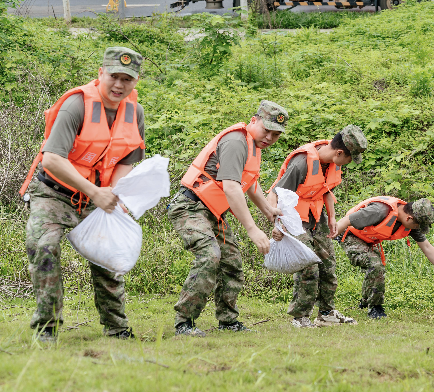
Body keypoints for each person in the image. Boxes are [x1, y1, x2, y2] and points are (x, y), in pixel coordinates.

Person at [19, 47, 147, 342]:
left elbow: (128, 159)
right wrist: (95, 192)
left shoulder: (134, 112)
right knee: (44, 248)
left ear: (135, 81)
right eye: (113, 76)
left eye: (126, 79)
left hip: (96, 198)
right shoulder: (76, 105)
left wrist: (113, 195)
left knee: (109, 258)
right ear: (100, 73)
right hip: (54, 194)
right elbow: (51, 159)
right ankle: (47, 327)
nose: (119, 85)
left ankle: (116, 328)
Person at [170, 101, 286, 337]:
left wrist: (267, 209)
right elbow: (232, 188)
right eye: (267, 130)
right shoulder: (236, 141)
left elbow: (249, 183)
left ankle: (228, 320)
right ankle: (184, 322)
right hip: (190, 206)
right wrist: (252, 229)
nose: (270, 137)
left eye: (276, 135)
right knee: (210, 256)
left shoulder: (253, 147)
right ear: (254, 121)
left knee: (231, 262)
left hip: (213, 212)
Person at [267, 125, 367, 328]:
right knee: (308, 265)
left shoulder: (332, 160)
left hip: (316, 215)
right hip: (293, 217)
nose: (348, 164)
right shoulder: (302, 163)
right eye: (349, 159)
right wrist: (277, 225)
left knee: (327, 263)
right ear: (340, 153)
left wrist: (331, 218)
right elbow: (275, 193)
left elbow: (327, 189)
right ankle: (300, 317)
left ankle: (326, 313)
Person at [335, 196, 434, 319]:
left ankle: (366, 301)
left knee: (376, 268)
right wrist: (325, 243)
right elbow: (345, 221)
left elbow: (426, 247)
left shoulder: (410, 220)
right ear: (409, 218)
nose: (417, 229)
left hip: (369, 238)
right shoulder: (379, 211)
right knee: (375, 264)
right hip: (351, 235)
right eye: (418, 226)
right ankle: (375, 307)